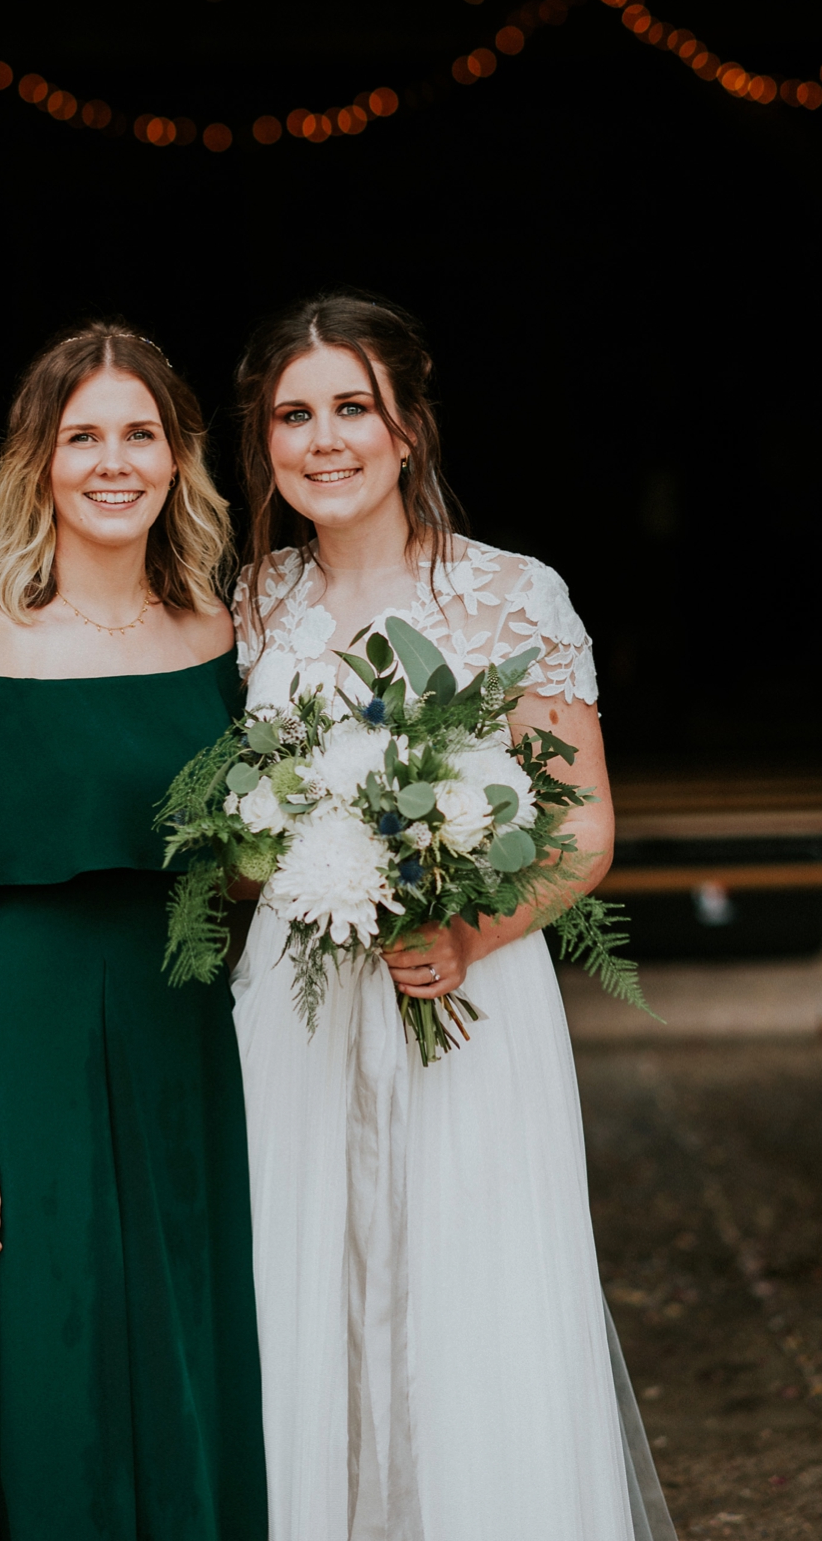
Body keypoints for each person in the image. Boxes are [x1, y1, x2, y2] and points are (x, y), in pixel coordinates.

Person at [228, 293, 675, 1541]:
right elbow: (223, 833)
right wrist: (294, 859)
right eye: (293, 414)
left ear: (409, 426)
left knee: (476, 1293)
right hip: (297, 1003)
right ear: (264, 443)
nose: (325, 439)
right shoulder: (244, 607)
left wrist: (470, 926)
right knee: (297, 1282)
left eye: (352, 407)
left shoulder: (513, 596)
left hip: (469, 996)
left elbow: (581, 827)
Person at [0, 323, 268, 1541]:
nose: (112, 461)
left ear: (179, 455)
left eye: (139, 433)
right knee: (47, 1343)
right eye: (82, 435)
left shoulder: (217, 630)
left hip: (188, 1024)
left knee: (189, 1333)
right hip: (26, 1026)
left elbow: (252, 861)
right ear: (37, 460)